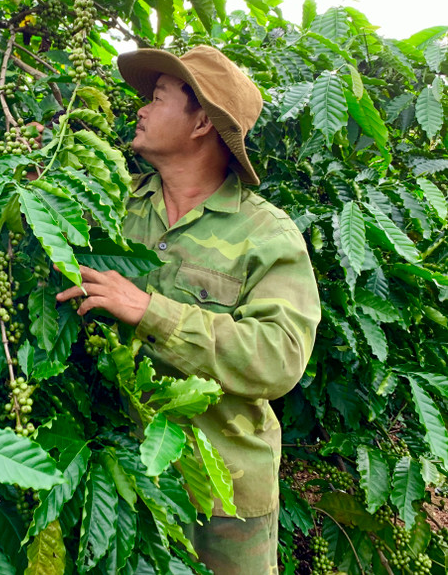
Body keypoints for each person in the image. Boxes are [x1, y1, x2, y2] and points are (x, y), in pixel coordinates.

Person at [56, 46, 321, 574]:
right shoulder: (112, 204)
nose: (140, 109)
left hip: (221, 498)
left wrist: (151, 311)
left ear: (201, 123)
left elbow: (279, 357)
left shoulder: (266, 234)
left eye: (157, 98)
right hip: (113, 475)